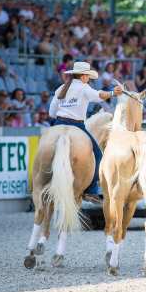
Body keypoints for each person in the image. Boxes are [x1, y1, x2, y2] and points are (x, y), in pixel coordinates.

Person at [49, 61, 123, 201]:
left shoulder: (61, 88)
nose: (88, 79)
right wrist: (113, 93)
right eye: (88, 76)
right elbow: (99, 96)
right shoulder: (84, 87)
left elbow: (51, 112)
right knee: (97, 155)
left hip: (58, 124)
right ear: (83, 76)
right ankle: (91, 190)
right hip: (77, 125)